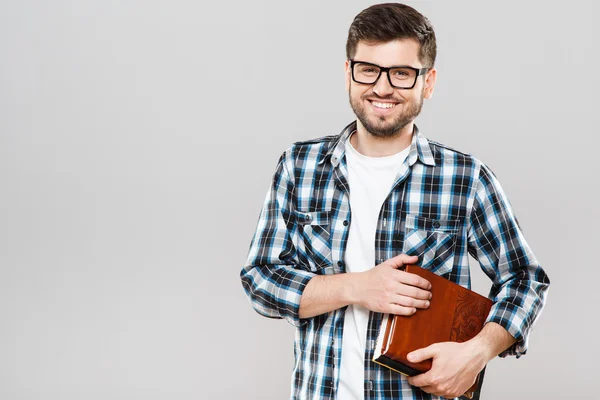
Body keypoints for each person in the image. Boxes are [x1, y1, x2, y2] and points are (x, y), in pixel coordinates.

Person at [240, 3, 550, 399]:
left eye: (401, 74)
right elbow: (260, 278)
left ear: (428, 81)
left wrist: (476, 353)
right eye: (368, 69)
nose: (382, 87)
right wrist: (357, 287)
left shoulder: (465, 177)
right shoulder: (299, 167)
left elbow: (526, 279)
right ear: (348, 72)